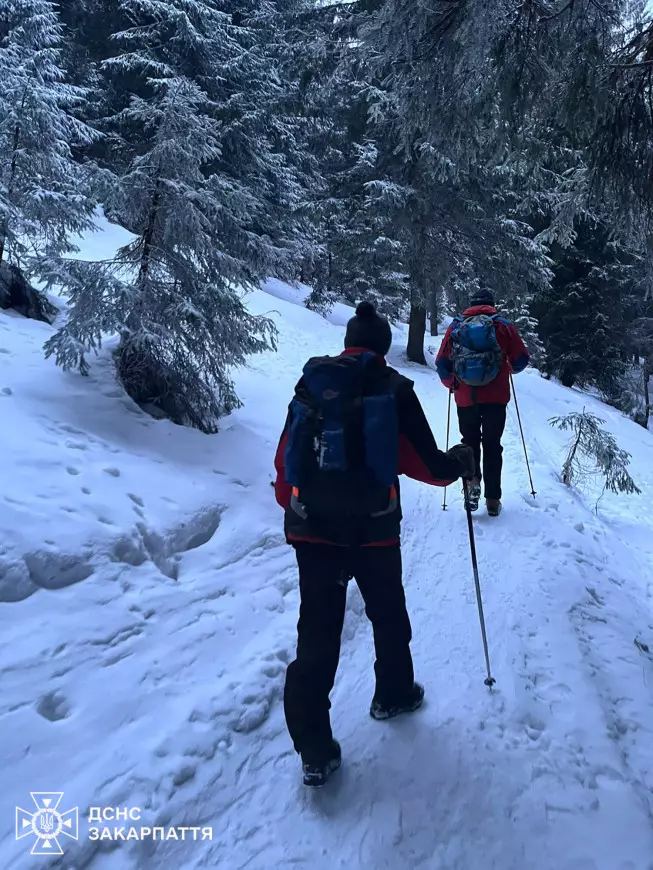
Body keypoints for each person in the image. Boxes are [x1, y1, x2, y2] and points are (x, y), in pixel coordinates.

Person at [273, 301, 475, 787]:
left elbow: (286, 464)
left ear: (347, 342)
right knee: (387, 614)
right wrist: (459, 461)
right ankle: (394, 694)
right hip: (374, 530)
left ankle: (314, 750)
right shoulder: (394, 388)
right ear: (385, 346)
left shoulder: (312, 384)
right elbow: (427, 465)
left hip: (314, 531)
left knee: (317, 632)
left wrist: (302, 510)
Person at [435, 287, 530, 517]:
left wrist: (452, 384)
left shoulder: (456, 326)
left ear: (471, 305)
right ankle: (493, 500)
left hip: (465, 397)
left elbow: (442, 364)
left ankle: (472, 485)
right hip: (496, 397)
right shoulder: (503, 325)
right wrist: (506, 368)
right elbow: (521, 359)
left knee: (469, 443)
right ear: (491, 304)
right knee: (492, 444)